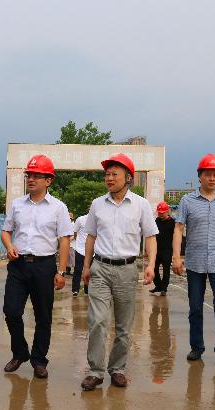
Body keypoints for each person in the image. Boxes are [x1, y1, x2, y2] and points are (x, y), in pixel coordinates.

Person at [80, 153, 158, 391]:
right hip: (100, 268)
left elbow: (150, 237)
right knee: (98, 321)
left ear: (128, 178)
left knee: (124, 325)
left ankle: (117, 369)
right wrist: (86, 266)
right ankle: (95, 371)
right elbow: (90, 237)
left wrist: (150, 265)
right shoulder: (97, 204)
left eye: (115, 174)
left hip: (127, 269)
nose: (109, 178)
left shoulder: (141, 205)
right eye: (107, 174)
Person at [0, 154, 72, 379]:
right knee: (11, 311)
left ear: (48, 180)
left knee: (43, 316)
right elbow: (6, 231)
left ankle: (39, 360)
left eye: (37, 176)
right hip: (18, 265)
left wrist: (61, 272)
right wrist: (9, 245)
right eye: (29, 175)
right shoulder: (17, 205)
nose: (31, 179)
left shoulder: (58, 208)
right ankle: (20, 352)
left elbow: (64, 240)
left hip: (44, 266)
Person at [172, 153, 215, 367]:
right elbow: (178, 228)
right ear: (199, 176)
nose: (212, 178)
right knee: (195, 307)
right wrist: (176, 258)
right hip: (195, 261)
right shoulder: (187, 201)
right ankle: (197, 347)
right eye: (208, 174)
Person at [149, 201, 175, 296]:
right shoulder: (156, 221)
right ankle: (158, 286)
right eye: (159, 212)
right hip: (156, 250)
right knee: (154, 269)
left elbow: (176, 237)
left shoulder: (172, 222)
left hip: (167, 250)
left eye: (162, 212)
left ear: (167, 211)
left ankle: (164, 288)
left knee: (166, 270)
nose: (161, 214)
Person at [71, 211, 90, 296]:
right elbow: (75, 232)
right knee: (78, 270)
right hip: (80, 250)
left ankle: (87, 290)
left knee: (90, 271)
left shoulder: (97, 220)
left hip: (92, 251)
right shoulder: (80, 219)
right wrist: (79, 242)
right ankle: (75, 289)